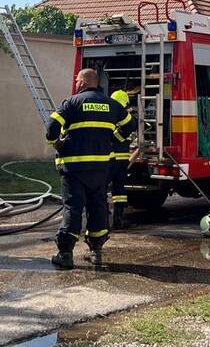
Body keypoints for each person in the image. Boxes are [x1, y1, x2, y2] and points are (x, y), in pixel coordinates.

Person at [46, 68, 135, 269]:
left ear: (84, 82)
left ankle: (66, 253)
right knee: (98, 207)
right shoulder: (111, 104)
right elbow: (130, 124)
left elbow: (51, 127)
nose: (75, 83)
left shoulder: (72, 103)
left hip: (74, 168)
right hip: (101, 168)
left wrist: (56, 142)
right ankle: (96, 252)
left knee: (73, 207)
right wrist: (114, 139)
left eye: (77, 80)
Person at [108, 89, 132, 230]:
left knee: (101, 188)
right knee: (119, 191)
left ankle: (104, 218)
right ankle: (118, 219)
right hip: (122, 160)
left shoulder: (110, 115)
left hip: (110, 159)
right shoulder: (126, 117)